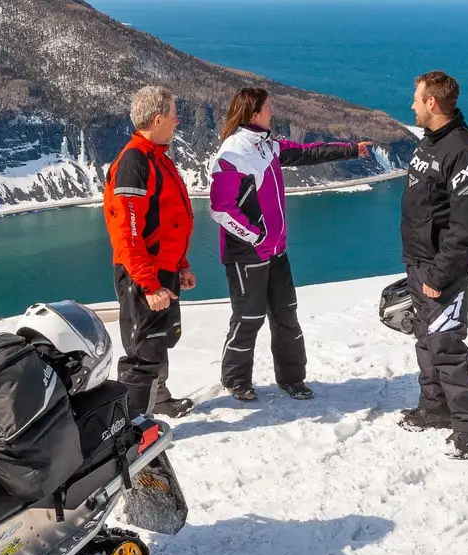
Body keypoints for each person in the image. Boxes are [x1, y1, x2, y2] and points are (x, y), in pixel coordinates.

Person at [208, 87, 371, 402]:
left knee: (286, 315)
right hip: (247, 254)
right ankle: (236, 380)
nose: (273, 112)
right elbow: (220, 209)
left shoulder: (268, 146)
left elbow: (309, 152)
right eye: (268, 107)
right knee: (249, 318)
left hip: (276, 251)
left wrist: (352, 149)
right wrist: (256, 236)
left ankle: (292, 379)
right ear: (253, 113)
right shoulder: (232, 153)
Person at [397, 70, 468, 459]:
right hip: (419, 261)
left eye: (417, 99)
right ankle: (434, 407)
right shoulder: (431, 143)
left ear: (432, 103)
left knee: (447, 345)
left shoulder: (464, 152)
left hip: (441, 269)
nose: (412, 105)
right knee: (425, 338)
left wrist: (441, 273)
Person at [103, 84, 197, 418]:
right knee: (142, 354)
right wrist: (148, 283)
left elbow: (168, 220)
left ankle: (158, 400)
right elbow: (125, 233)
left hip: (163, 270)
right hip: (144, 275)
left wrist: (181, 265)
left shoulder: (157, 157)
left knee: (158, 342)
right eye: (174, 115)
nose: (178, 121)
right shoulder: (134, 161)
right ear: (158, 119)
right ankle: (129, 428)